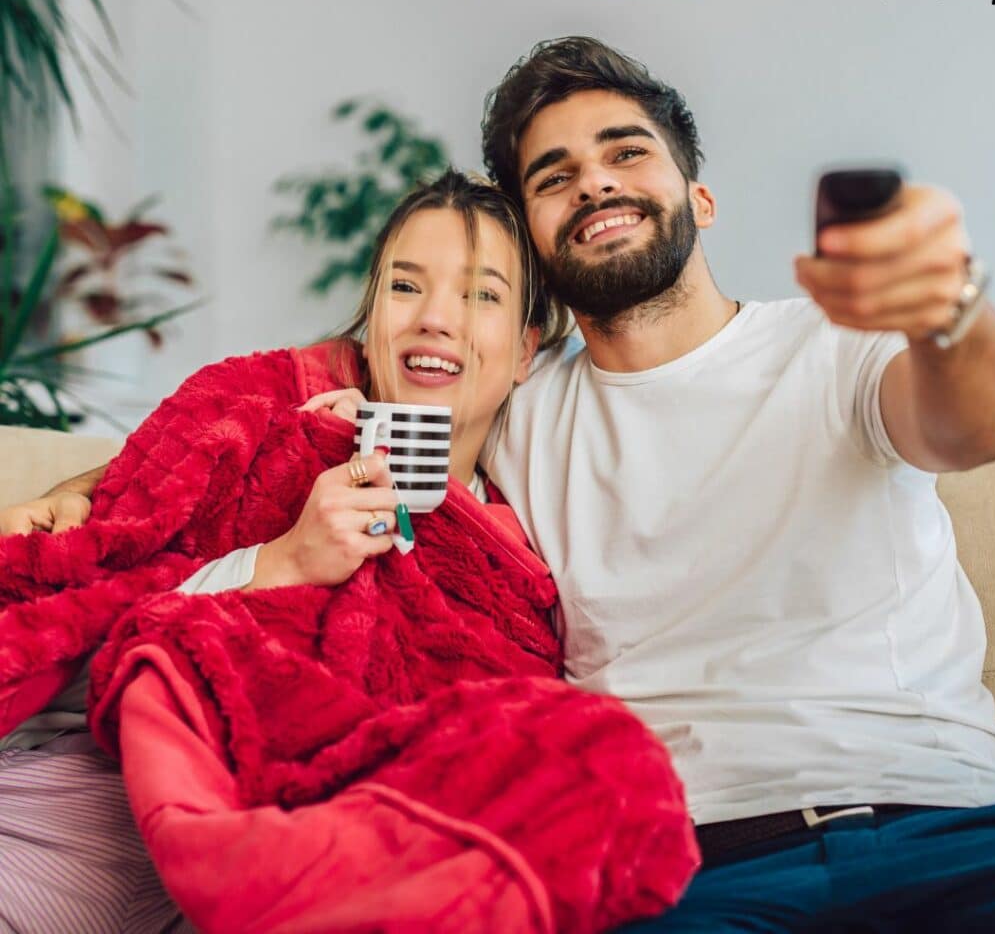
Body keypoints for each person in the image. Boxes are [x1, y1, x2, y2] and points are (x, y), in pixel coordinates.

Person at [9, 37, 995, 930]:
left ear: (698, 197)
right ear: (536, 245)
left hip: (952, 814)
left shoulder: (833, 349)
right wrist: (94, 484)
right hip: (698, 867)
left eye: (625, 153)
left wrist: (947, 308)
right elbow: (293, 394)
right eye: (553, 175)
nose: (593, 182)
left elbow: (967, 423)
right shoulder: (514, 406)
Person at [0, 169, 696, 934]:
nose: (436, 318)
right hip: (81, 807)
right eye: (405, 286)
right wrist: (279, 564)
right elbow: (87, 624)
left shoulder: (515, 565)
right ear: (371, 323)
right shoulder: (268, 426)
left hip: (306, 870)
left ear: (528, 350)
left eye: (482, 295)